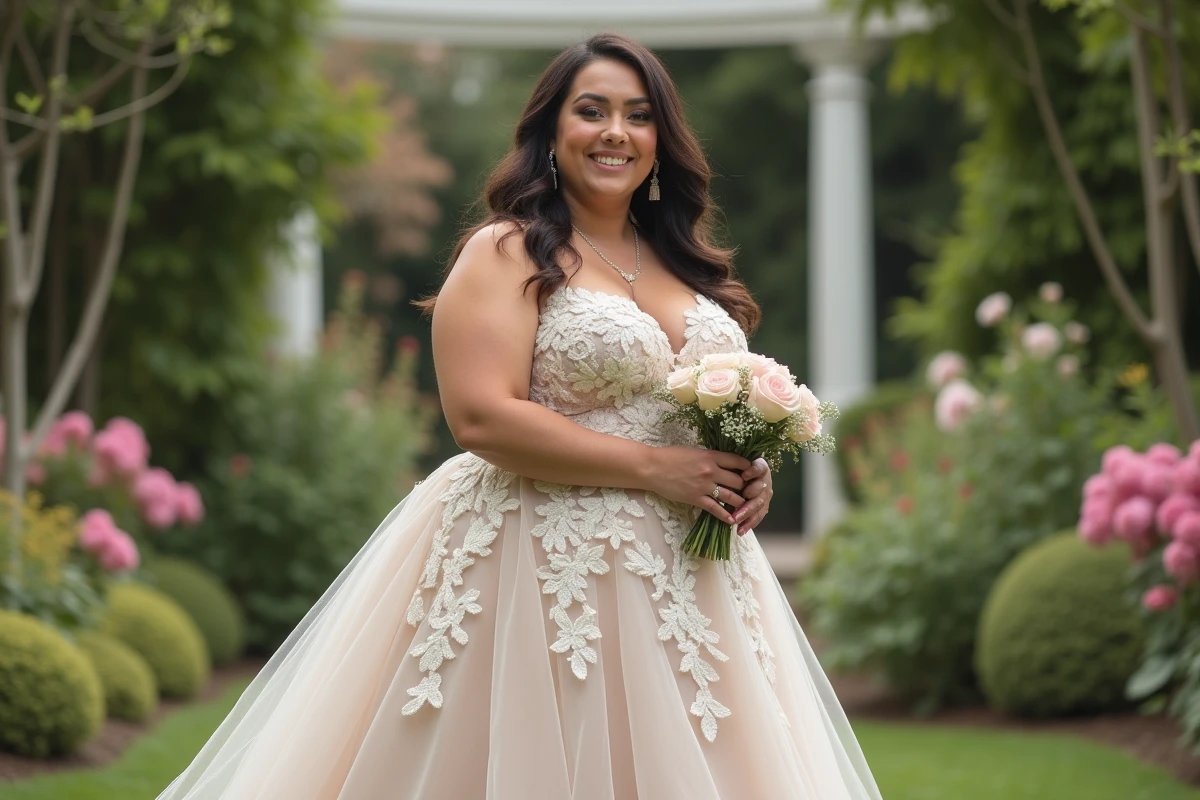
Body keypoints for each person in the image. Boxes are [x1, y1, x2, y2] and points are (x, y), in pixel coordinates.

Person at [156, 32, 883, 800]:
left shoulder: (686, 265)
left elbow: (687, 413)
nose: (615, 132)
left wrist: (747, 468)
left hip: (694, 581)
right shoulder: (506, 252)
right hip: (539, 568)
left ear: (661, 141)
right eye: (591, 111)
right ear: (549, 132)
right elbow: (481, 419)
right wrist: (656, 469)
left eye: (638, 116)